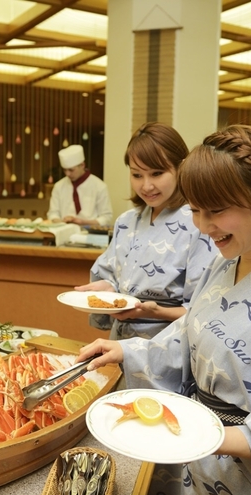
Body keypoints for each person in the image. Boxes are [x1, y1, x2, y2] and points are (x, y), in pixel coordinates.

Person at [78, 125, 251, 495]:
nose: (203, 227)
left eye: (217, 211)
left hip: (247, 479)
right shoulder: (223, 268)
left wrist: (213, 436)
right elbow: (188, 338)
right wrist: (129, 353)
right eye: (195, 210)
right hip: (193, 458)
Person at [74, 122, 216, 340]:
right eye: (137, 175)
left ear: (181, 167)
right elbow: (115, 276)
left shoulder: (199, 223)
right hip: (119, 345)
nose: (146, 186)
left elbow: (205, 309)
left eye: (157, 173)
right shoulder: (126, 221)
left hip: (169, 347)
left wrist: (155, 311)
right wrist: (107, 287)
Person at [47, 144, 113, 226]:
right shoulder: (59, 186)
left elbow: (107, 217)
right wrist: (61, 221)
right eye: (65, 170)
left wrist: (84, 222)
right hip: (63, 234)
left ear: (82, 165)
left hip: (90, 236)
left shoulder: (99, 186)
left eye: (71, 170)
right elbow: (53, 213)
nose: (67, 174)